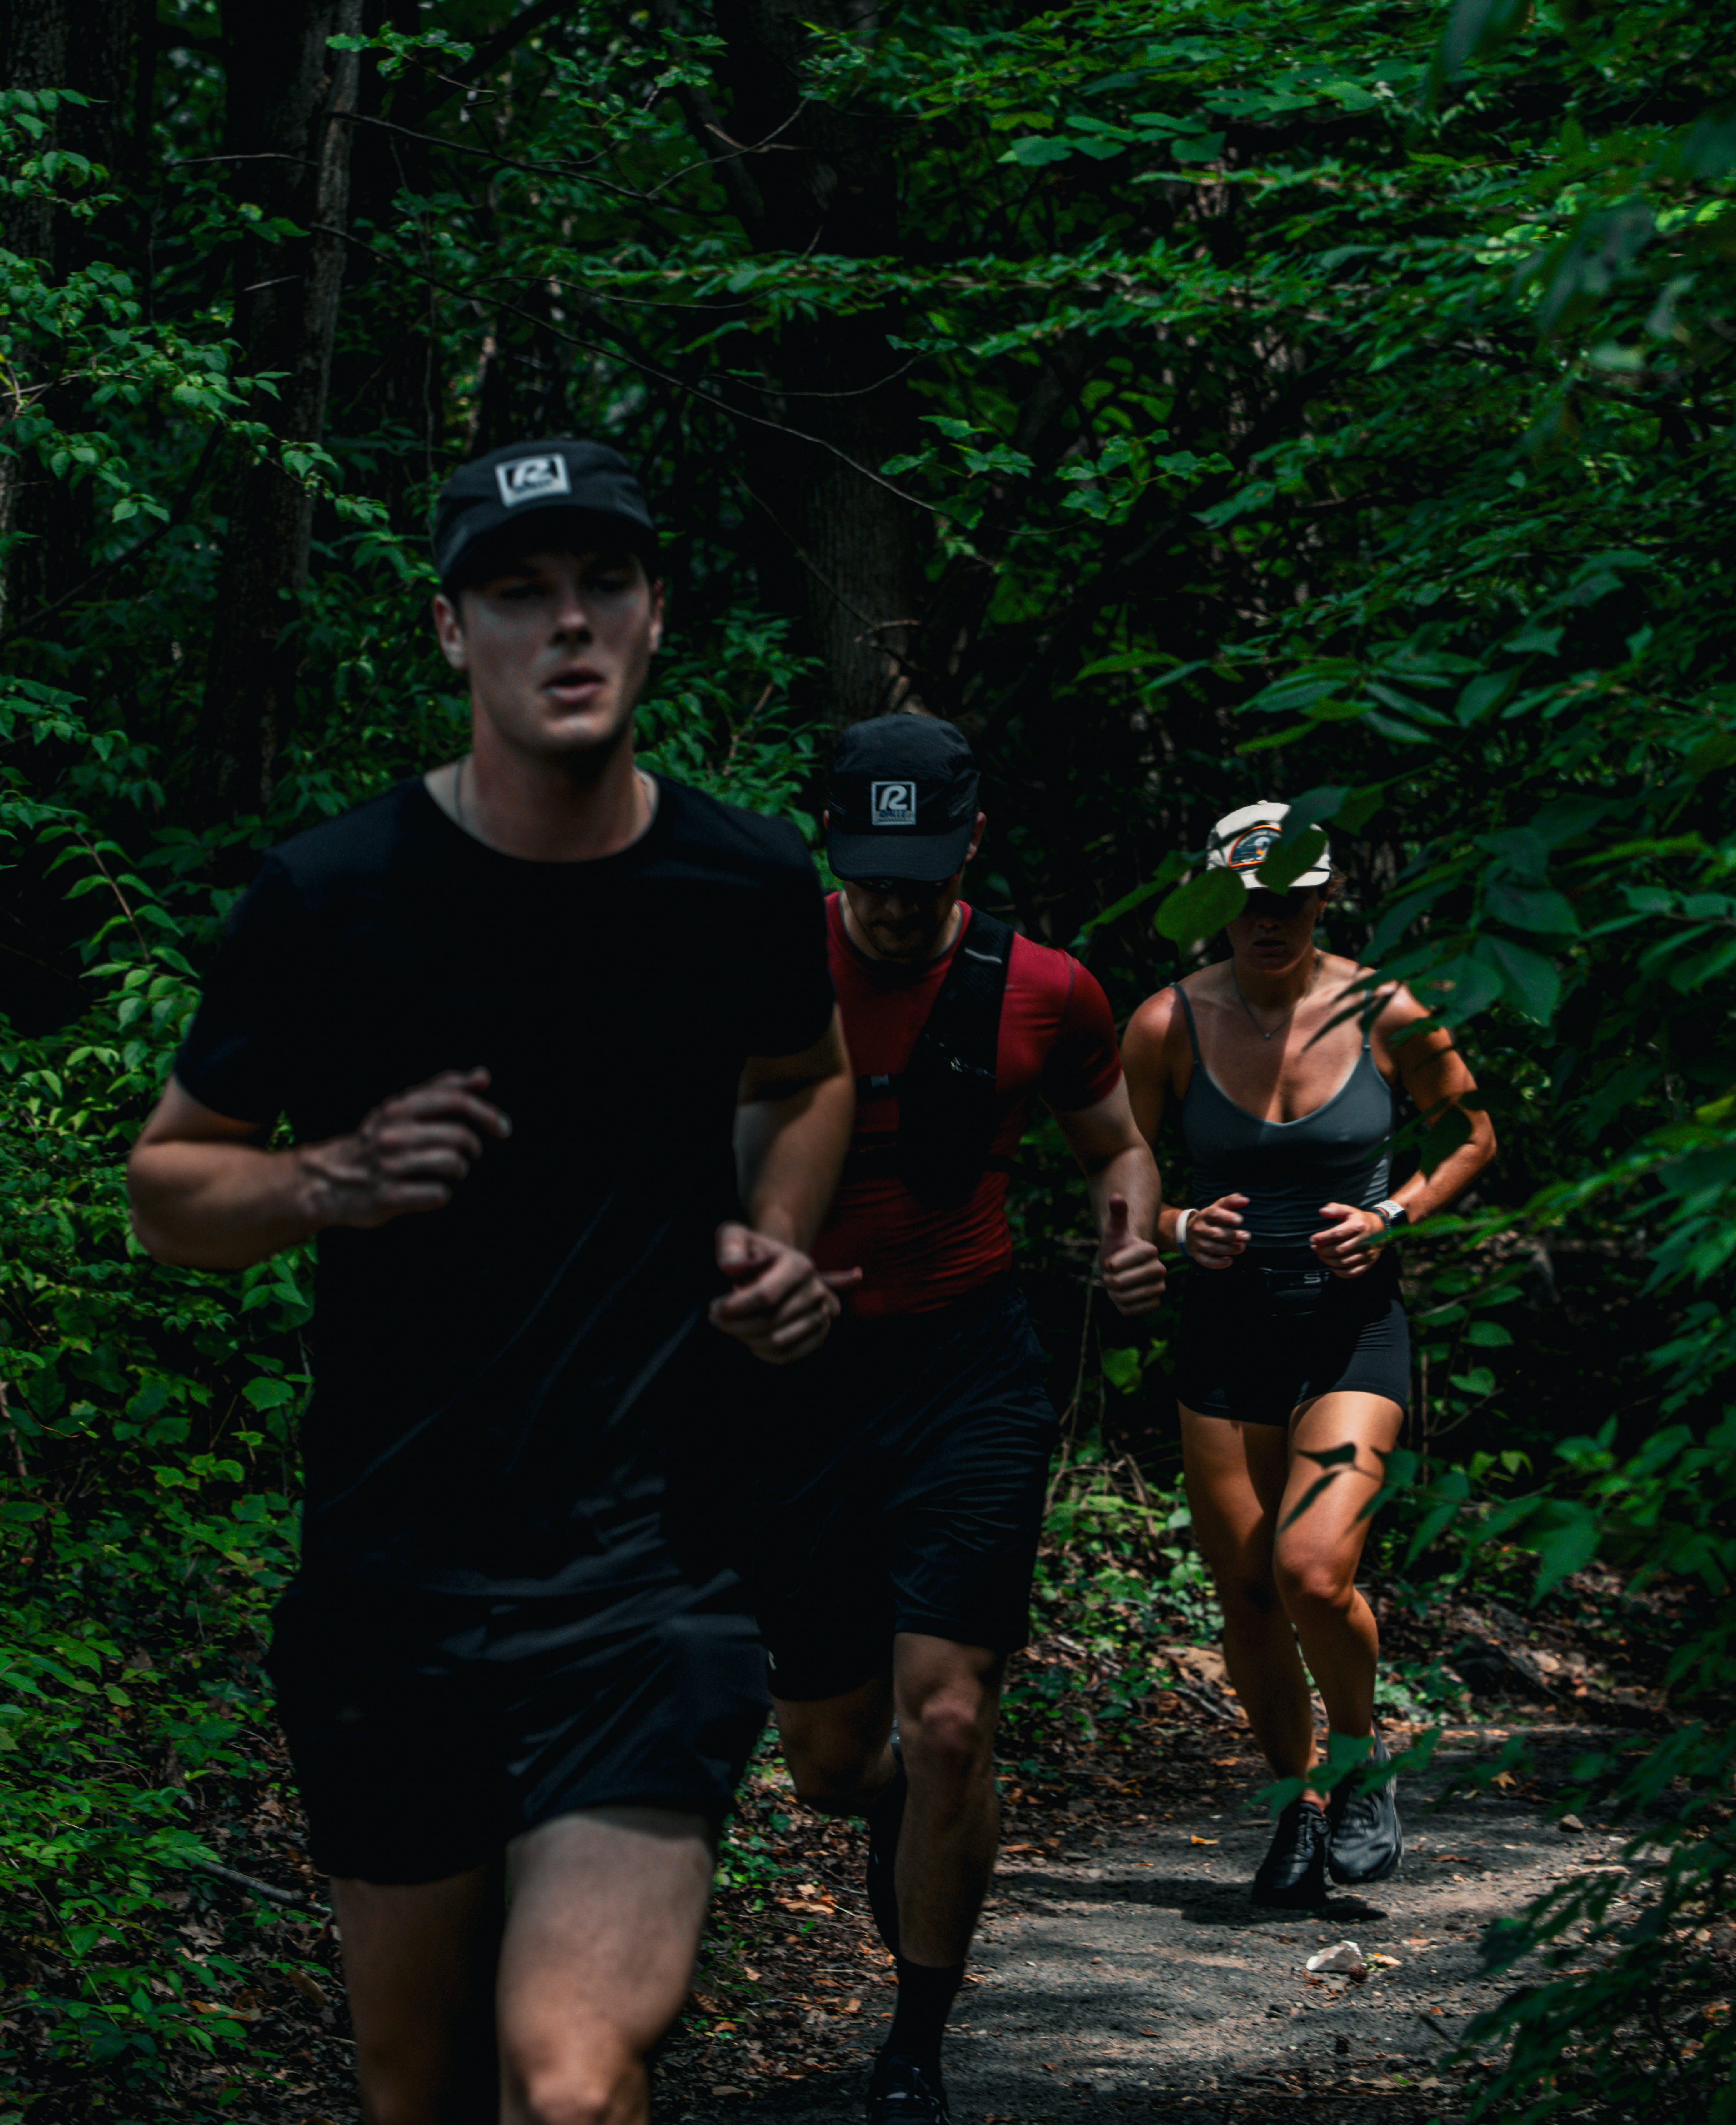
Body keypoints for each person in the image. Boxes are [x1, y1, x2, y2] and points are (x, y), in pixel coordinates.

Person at [125, 438, 856, 2125]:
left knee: (573, 2080)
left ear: (658, 613)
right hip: (394, 1579)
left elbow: (803, 1073)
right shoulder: (331, 895)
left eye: (603, 582)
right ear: (451, 632)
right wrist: (330, 1177)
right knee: (420, 2086)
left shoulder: (741, 878)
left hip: (650, 1574)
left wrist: (780, 1232)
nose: (569, 624)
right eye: (519, 592)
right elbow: (170, 1184)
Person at [749, 713, 1164, 2125]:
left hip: (968, 1373)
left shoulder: (1048, 990)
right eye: (869, 871)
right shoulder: (760, 962)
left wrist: (1130, 1238)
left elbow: (1116, 1146)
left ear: (968, 846)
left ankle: (915, 2044)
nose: (893, 900)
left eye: (920, 873)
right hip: (797, 1387)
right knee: (824, 1763)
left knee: (947, 1718)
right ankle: (891, 1813)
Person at [1121, 799, 1496, 1914]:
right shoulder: (1164, 1025)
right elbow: (1118, 1183)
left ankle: (1361, 1757)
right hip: (1227, 1334)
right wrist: (1184, 1228)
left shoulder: (1387, 1008)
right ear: (1213, 901)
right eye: (1245, 901)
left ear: (1325, 898)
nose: (1266, 921)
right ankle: (1296, 1807)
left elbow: (1473, 1135)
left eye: (1287, 899)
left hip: (1350, 1326)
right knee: (1243, 1592)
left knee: (1311, 1570)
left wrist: (1396, 1217)